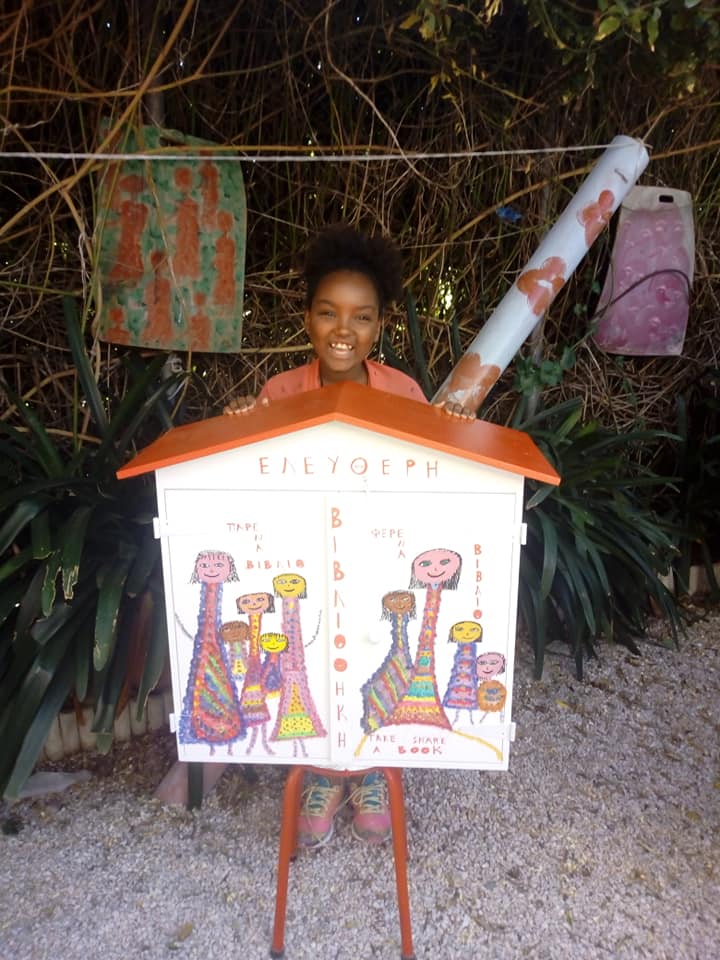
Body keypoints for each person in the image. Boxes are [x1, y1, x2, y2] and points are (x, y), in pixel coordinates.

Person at [222, 224, 474, 847]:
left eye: (362, 316)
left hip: (378, 563)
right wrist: (240, 426)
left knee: (373, 655)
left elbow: (433, 474)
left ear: (380, 324)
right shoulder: (281, 391)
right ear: (307, 316)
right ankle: (321, 773)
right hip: (306, 561)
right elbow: (249, 481)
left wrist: (452, 427)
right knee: (309, 659)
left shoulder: (403, 392)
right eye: (328, 312)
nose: (344, 329)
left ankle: (368, 771)